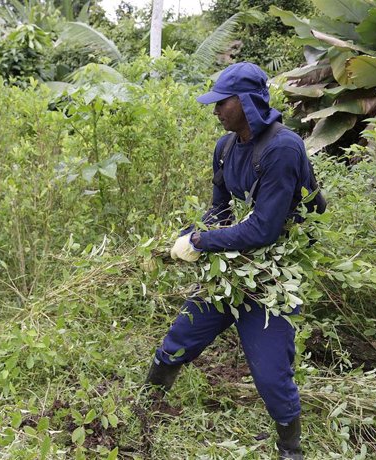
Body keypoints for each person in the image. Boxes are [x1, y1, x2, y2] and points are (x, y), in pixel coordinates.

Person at [146, 62, 315, 460]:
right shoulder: (224, 149)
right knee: (179, 338)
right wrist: (190, 235)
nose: (216, 110)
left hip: (269, 276)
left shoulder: (282, 148)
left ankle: (290, 450)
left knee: (272, 373)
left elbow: (262, 231)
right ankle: (145, 406)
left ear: (248, 102)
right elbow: (219, 210)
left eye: (224, 102)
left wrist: (202, 241)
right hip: (229, 271)